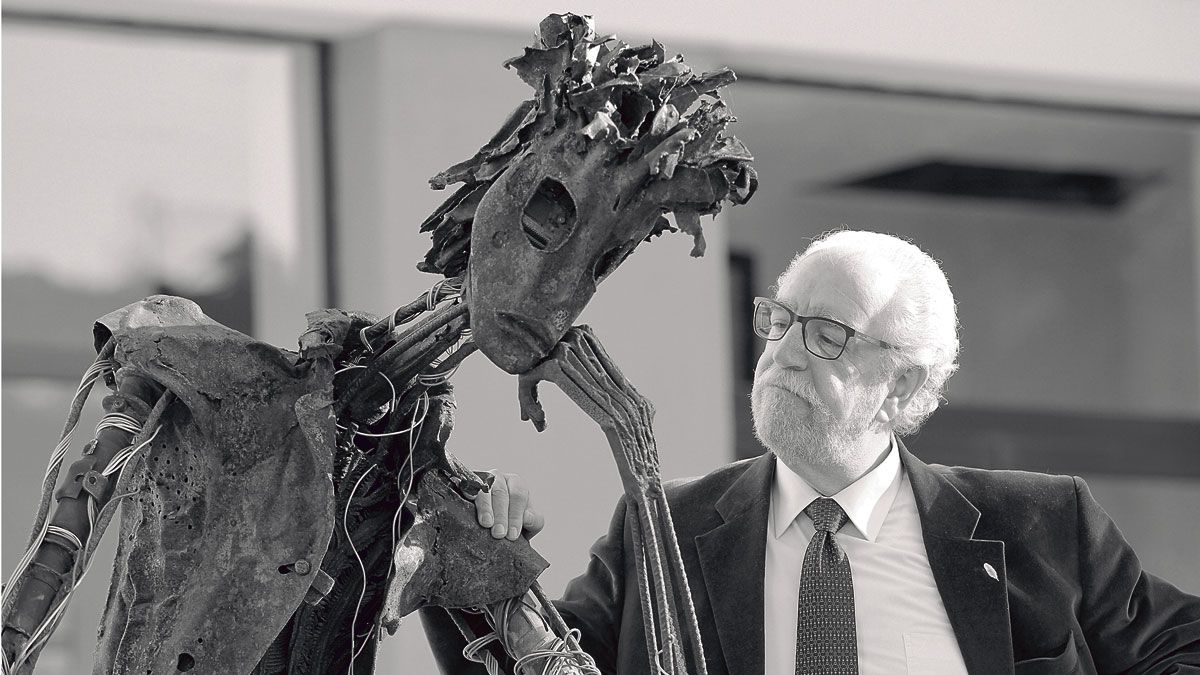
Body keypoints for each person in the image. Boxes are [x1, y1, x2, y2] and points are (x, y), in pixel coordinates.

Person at [434, 229, 1200, 674]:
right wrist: (483, 561)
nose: (785, 354)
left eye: (828, 335)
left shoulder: (1041, 522)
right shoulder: (661, 526)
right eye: (781, 321)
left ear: (904, 386)